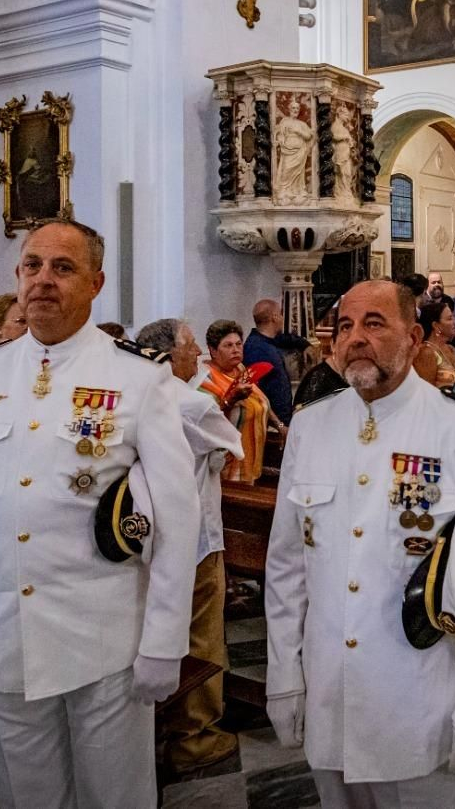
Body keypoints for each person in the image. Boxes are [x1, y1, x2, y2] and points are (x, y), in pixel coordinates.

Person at [0, 219, 199, 809]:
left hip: (107, 640)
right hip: (4, 634)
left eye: (62, 268)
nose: (43, 280)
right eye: (32, 266)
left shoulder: (139, 377)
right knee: (25, 797)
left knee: (116, 798)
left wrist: (166, 639)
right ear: (16, 278)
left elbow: (176, 516)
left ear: (95, 283)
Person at [263, 280, 455, 808]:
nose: (355, 338)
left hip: (422, 706)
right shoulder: (311, 426)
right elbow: (286, 566)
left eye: (374, 323)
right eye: (345, 326)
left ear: (413, 337)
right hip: (331, 698)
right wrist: (283, 675)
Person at [136, 318, 244, 773]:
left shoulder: (134, 396)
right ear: (170, 355)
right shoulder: (191, 405)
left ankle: (154, 724)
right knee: (201, 636)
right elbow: (231, 448)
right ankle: (194, 737)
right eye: (191, 346)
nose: (198, 353)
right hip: (196, 539)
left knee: (156, 632)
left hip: (145, 540)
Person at [200, 319, 274, 484]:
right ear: (212, 350)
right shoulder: (205, 379)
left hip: (252, 459)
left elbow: (259, 399)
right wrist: (231, 399)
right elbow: (208, 420)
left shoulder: (240, 369)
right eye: (228, 345)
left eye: (238, 344)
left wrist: (280, 425)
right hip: (226, 466)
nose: (235, 350)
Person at [244, 298, 310, 425]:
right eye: (280, 314)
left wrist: (305, 345)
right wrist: (279, 424)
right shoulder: (257, 349)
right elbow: (256, 393)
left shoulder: (266, 340)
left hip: (283, 418)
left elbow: (284, 339)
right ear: (274, 317)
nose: (282, 318)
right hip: (273, 424)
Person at [414, 300, 455, 394]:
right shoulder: (426, 352)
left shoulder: (451, 349)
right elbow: (426, 393)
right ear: (436, 325)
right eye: (449, 318)